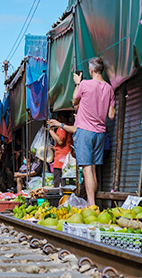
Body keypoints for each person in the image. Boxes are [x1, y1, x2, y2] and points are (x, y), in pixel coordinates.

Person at [49, 57, 115, 206]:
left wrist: (77, 83)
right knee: (93, 169)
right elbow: (111, 115)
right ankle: (93, 203)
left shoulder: (85, 84)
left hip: (85, 132)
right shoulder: (109, 88)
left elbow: (74, 100)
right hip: (100, 133)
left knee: (87, 169)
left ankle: (92, 205)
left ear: (91, 70)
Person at [48, 111, 73, 187]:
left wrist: (50, 130)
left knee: (58, 183)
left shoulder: (62, 127)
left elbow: (60, 141)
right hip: (65, 157)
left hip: (61, 160)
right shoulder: (68, 126)